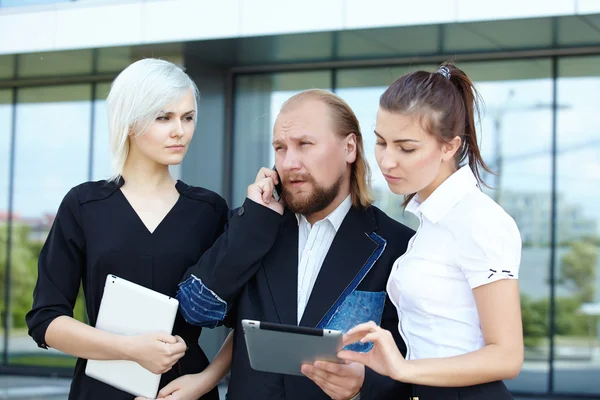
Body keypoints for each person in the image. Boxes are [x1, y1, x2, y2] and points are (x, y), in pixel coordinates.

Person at [173, 89, 415, 400]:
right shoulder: (253, 228)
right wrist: (253, 226)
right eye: (280, 148)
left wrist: (362, 386)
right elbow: (196, 310)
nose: (289, 162)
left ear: (349, 147)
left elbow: (414, 365)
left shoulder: (397, 246)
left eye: (304, 144)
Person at [25, 58, 230, 400]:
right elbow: (45, 319)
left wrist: (204, 381)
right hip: (101, 390)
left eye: (188, 117)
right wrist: (130, 348)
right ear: (130, 121)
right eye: (163, 117)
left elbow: (246, 316)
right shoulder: (84, 205)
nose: (180, 130)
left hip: (184, 391)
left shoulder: (209, 210)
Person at [338, 63, 524, 399]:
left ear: (449, 147)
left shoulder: (479, 221)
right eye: (381, 142)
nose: (387, 161)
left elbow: (507, 356)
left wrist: (402, 367)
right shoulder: (431, 224)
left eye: (406, 148)